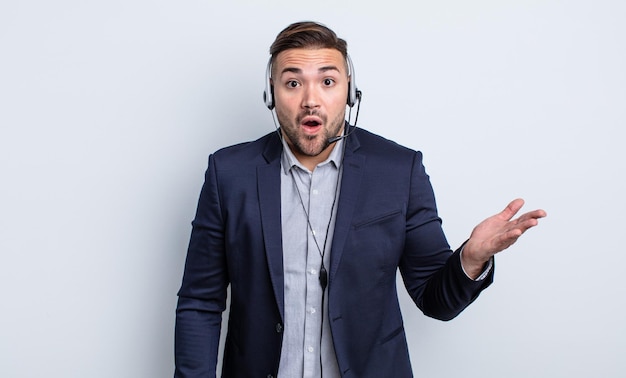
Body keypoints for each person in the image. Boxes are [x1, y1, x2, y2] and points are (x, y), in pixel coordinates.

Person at [174, 21, 546, 378]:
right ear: (271, 94)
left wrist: (470, 259)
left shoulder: (400, 170)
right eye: (292, 83)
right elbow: (200, 301)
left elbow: (436, 300)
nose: (310, 100)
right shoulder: (229, 173)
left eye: (328, 81)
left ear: (350, 91)